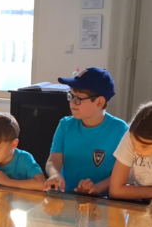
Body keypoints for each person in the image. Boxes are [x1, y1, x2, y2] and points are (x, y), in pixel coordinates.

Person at [44, 67, 128, 196]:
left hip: (103, 201)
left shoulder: (120, 130)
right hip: (67, 198)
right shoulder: (65, 125)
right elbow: (53, 160)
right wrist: (55, 174)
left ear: (99, 102)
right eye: (71, 96)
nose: (72, 102)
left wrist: (95, 188)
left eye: (78, 98)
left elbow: (124, 174)